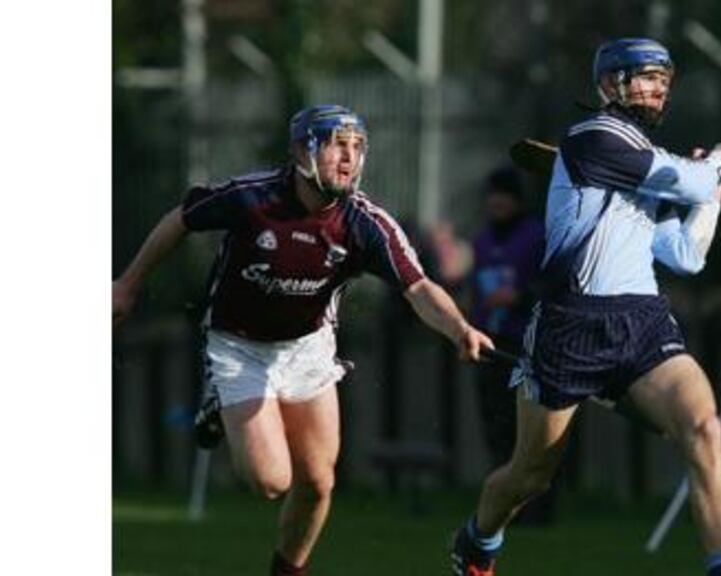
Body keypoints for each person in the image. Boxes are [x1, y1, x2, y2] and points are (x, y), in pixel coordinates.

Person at [112, 104, 494, 576]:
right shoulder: (253, 199)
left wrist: (459, 328)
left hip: (308, 347)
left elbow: (418, 286)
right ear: (301, 151)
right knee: (273, 481)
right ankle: (216, 397)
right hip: (238, 345)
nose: (349, 158)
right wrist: (127, 285)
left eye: (357, 148)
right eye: (337, 144)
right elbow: (181, 218)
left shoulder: (364, 223)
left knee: (317, 483)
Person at [449, 38, 721, 576]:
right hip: (570, 326)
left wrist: (711, 194)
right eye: (646, 77)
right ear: (611, 84)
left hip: (642, 321)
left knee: (703, 428)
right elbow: (693, 176)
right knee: (530, 475)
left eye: (665, 79)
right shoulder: (596, 138)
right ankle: (478, 539)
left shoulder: (644, 162)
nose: (659, 88)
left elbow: (684, 254)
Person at [468, 166, 553, 524]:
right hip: (492, 343)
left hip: (527, 343)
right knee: (497, 426)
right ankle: (504, 507)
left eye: (505, 194)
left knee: (531, 430)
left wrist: (518, 298)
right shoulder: (482, 241)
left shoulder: (535, 236)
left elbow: (551, 283)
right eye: (493, 194)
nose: (498, 201)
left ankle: (537, 509)